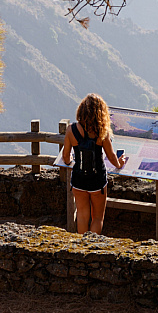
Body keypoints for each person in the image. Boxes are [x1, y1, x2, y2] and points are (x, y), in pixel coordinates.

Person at [62, 93, 127, 234]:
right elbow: (111, 157)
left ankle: (81, 249)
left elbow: (65, 157)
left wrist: (70, 162)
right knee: (97, 218)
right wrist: (120, 163)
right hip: (97, 180)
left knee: (82, 216)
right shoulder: (102, 133)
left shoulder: (71, 130)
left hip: (78, 180)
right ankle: (92, 247)